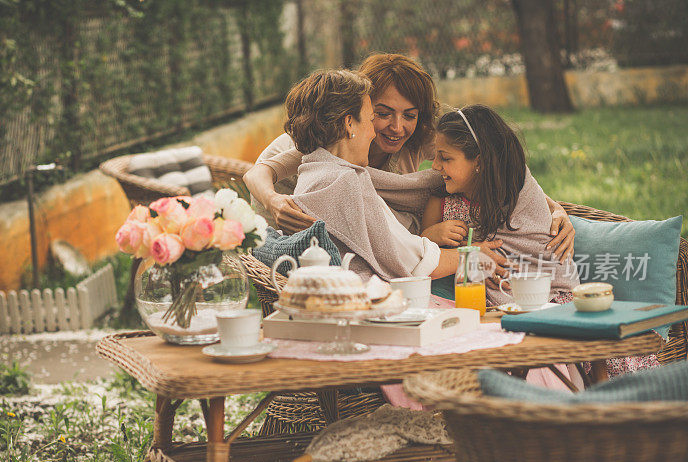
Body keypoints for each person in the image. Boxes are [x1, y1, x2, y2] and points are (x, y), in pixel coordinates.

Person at [244, 52, 575, 264]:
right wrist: (274, 202)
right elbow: (256, 174)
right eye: (383, 114)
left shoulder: (417, 139)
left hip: (396, 247)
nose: (397, 128)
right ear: (356, 113)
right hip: (308, 243)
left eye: (410, 115)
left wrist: (552, 207)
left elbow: (489, 160)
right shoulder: (325, 145)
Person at [284, 69, 498, 281]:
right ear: (349, 124)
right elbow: (412, 262)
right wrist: (473, 255)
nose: (372, 132)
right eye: (370, 120)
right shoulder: (343, 182)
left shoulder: (314, 173)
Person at [421, 104, 579, 305]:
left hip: (552, 298)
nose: (434, 165)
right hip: (488, 308)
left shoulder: (518, 194)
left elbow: (539, 246)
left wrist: (558, 210)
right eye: (435, 156)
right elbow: (419, 259)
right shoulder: (439, 203)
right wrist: (430, 235)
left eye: (445, 158)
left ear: (479, 162)